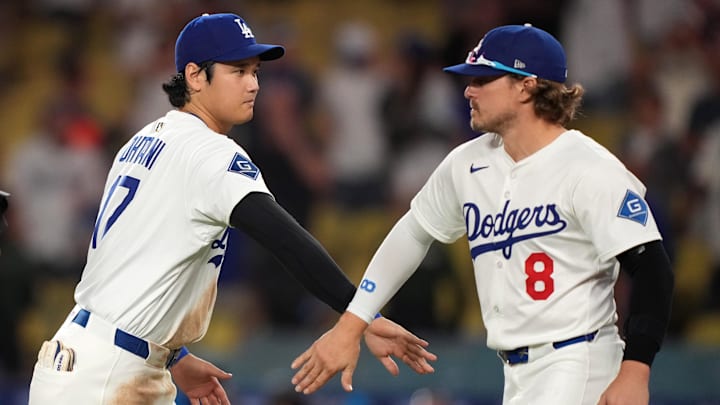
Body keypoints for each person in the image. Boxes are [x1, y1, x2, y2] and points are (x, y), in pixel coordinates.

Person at [27, 12, 436, 405]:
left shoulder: (145, 138)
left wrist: (173, 356)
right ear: (194, 76)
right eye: (237, 71)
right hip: (109, 376)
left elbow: (128, 267)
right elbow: (283, 237)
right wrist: (358, 313)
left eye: (255, 71)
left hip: (85, 356)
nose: (254, 84)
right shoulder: (210, 151)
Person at [290, 24, 674, 405]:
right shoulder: (468, 163)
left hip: (580, 360)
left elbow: (653, 268)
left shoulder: (587, 167)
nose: (469, 90)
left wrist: (636, 369)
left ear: (527, 85)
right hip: (516, 373)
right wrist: (354, 321)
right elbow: (413, 233)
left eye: (484, 78)